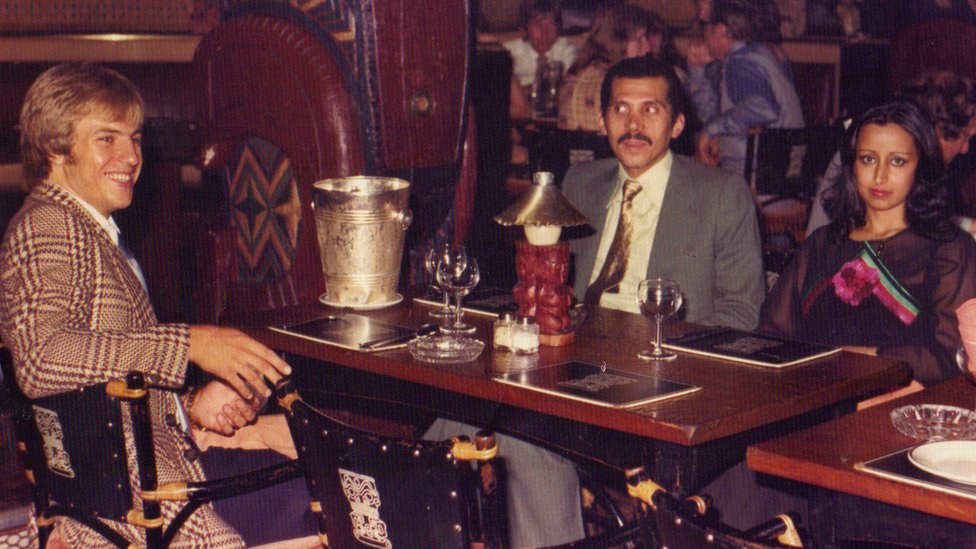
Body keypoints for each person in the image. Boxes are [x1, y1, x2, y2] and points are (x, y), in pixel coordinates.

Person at [0, 63, 310, 547]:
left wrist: (189, 405)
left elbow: (100, 381)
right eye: (107, 139)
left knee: (320, 463)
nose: (131, 156)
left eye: (136, 138)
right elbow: (42, 359)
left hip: (145, 471)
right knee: (339, 492)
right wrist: (189, 343)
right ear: (56, 148)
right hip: (136, 504)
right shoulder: (50, 226)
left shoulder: (89, 228)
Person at [761, 100, 976, 388]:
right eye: (868, 159)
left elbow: (953, 355)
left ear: (920, 166)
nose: (879, 176)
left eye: (897, 161)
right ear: (852, 165)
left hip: (898, 407)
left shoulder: (948, 248)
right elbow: (770, 335)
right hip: (810, 400)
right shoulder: (822, 244)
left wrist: (860, 359)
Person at [564, 55, 765, 331]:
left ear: (677, 125)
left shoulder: (722, 196)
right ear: (602, 121)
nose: (633, 125)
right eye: (620, 109)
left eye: (650, 110)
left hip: (665, 356)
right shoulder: (580, 183)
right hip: (578, 347)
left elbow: (742, 313)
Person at [808, 71, 976, 234]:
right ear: (939, 132)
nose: (965, 149)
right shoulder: (862, 156)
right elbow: (885, 237)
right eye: (966, 137)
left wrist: (967, 226)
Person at [686, 0, 804, 176]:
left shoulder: (741, 61)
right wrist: (697, 71)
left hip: (762, 177)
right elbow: (710, 115)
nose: (701, 15)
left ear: (720, 30)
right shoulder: (755, 52)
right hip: (781, 172)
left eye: (706, 26)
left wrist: (710, 130)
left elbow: (763, 110)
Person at [505, 0, 579, 120]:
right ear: (525, 28)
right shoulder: (510, 52)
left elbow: (562, 91)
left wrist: (525, 90)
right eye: (537, 24)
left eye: (551, 24)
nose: (545, 32)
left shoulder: (567, 52)